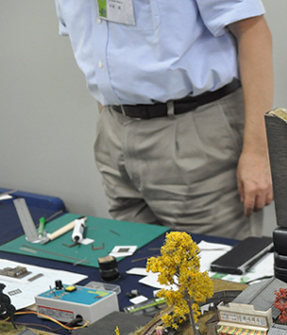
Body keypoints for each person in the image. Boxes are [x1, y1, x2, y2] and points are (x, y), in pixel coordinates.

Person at [54, 0, 274, 239]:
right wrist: (113, 141)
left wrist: (258, 151)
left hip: (193, 132)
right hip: (116, 128)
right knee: (137, 254)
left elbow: (252, 31)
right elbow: (102, 52)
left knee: (212, 258)